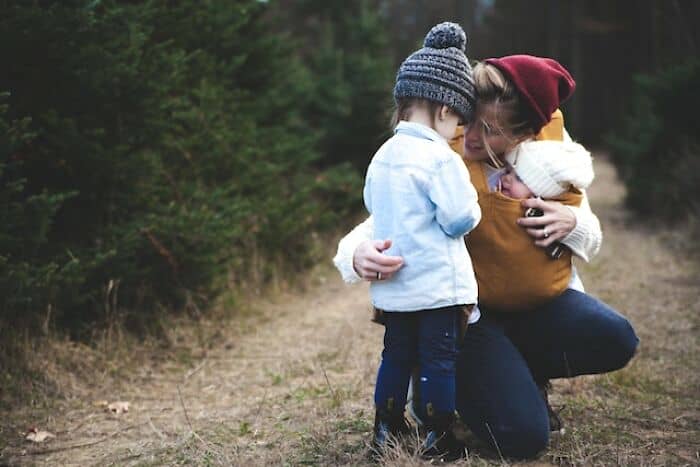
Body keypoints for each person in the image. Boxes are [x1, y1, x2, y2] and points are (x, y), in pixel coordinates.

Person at [333, 54, 639, 459]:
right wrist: (355, 254)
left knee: (616, 338)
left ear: (523, 134)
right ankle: (440, 376)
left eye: (490, 131)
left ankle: (519, 373)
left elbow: (590, 232)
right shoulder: (442, 152)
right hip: (465, 317)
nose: (472, 137)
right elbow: (387, 217)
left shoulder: (550, 157)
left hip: (534, 306)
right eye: (470, 121)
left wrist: (573, 223)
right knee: (523, 438)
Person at [363, 22, 481, 459]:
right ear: (444, 110)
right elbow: (458, 219)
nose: (457, 131)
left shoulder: (382, 156)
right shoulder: (439, 158)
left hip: (396, 287)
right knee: (437, 361)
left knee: (395, 356)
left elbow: (373, 206)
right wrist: (474, 207)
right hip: (437, 286)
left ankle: (385, 428)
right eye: (458, 121)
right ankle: (438, 434)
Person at [473, 139, 594, 311]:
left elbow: (593, 240)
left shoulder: (557, 186)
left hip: (550, 294)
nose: (506, 178)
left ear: (540, 194)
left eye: (519, 178)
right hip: (489, 297)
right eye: (508, 171)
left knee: (615, 326)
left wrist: (575, 223)